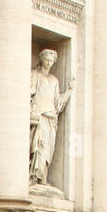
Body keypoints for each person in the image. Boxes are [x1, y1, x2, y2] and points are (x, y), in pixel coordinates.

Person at [29, 49, 73, 185]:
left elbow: (58, 104)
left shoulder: (54, 80)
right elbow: (29, 93)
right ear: (42, 59)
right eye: (46, 60)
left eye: (51, 61)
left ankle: (42, 177)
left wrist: (69, 91)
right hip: (40, 116)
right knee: (39, 148)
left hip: (51, 118)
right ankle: (35, 176)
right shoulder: (35, 74)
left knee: (48, 150)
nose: (48, 63)